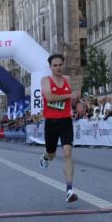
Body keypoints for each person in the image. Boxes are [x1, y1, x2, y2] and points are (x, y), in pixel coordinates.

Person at [38, 53, 78, 203]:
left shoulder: (67, 79)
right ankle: (45, 157)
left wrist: (74, 98)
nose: (58, 68)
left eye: (60, 64)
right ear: (50, 67)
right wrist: (69, 95)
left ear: (63, 64)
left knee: (67, 153)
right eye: (55, 65)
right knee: (52, 154)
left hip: (65, 121)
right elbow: (49, 97)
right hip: (51, 122)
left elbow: (73, 98)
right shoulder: (45, 80)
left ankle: (69, 189)